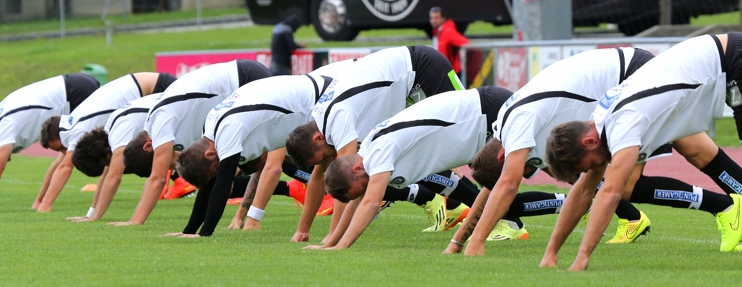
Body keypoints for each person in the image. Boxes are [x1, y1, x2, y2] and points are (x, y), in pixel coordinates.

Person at [542, 32, 742, 270]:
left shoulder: (620, 124)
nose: (590, 173)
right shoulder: (600, 122)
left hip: (740, 63)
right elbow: (586, 191)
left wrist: (582, 258)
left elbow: (610, 192)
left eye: (585, 166)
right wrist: (551, 253)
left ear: (587, 142)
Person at [457, 48, 742, 257]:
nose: (531, 172)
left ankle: (723, 207)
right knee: (698, 151)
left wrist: (475, 242)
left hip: (632, 75)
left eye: (528, 168)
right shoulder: (506, 126)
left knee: (627, 182)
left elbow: (507, 184)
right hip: (628, 70)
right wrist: (458, 240)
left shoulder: (518, 125)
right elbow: (496, 184)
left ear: (501, 155)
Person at [318, 86, 562, 250]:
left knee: (552, 166)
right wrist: (330, 242)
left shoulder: (379, 151)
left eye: (360, 189)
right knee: (504, 185)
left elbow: (370, 203)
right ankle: (465, 241)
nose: (363, 194)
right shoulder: (370, 152)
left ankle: (586, 201)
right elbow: (360, 201)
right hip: (482, 117)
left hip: (488, 111)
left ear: (356, 169)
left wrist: (340, 247)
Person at [285, 45, 465, 242]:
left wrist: (332, 237)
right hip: (405, 84)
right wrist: (302, 230)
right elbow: (319, 177)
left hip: (423, 68)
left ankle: (499, 219)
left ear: (317, 138)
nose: (329, 159)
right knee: (431, 153)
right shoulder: (320, 119)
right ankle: (455, 206)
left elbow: (348, 178)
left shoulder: (337, 118)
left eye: (324, 157)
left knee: (471, 137)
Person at [171, 61, 355, 237]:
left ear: (209, 153)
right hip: (315, 95)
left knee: (341, 167)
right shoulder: (211, 128)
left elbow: (222, 183)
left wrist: (205, 233)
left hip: (325, 97)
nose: (218, 172)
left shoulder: (228, 128)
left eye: (215, 168)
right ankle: (326, 233)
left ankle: (335, 235)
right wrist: (189, 231)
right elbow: (210, 185)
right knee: (322, 170)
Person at [109, 59, 271, 227]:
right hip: (243, 81)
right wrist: (190, 230)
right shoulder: (169, 126)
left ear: (148, 146)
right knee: (243, 162)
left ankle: (255, 217)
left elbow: (157, 180)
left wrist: (135, 222)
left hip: (246, 78)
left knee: (272, 154)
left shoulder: (160, 120)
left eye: (163, 164)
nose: (170, 169)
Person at [0, 73, 99, 209]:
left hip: (76, 92)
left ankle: (45, 204)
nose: (8, 160)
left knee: (72, 154)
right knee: (65, 155)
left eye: (2, 159)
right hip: (72, 84)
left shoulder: (4, 131)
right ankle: (40, 202)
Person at [34, 72, 177, 212]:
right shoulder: (76, 125)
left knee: (165, 153)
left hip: (158, 86)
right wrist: (92, 213)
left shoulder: (78, 131)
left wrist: (45, 203)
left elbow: (110, 176)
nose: (64, 153)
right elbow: (107, 172)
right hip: (152, 86)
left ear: (58, 137)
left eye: (60, 148)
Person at [429, 7, 469, 77]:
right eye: (432, 18)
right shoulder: (438, 32)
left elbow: (466, 43)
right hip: (445, 71)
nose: (433, 21)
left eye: (436, 18)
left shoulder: (447, 32)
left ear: (443, 18)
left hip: (451, 73)